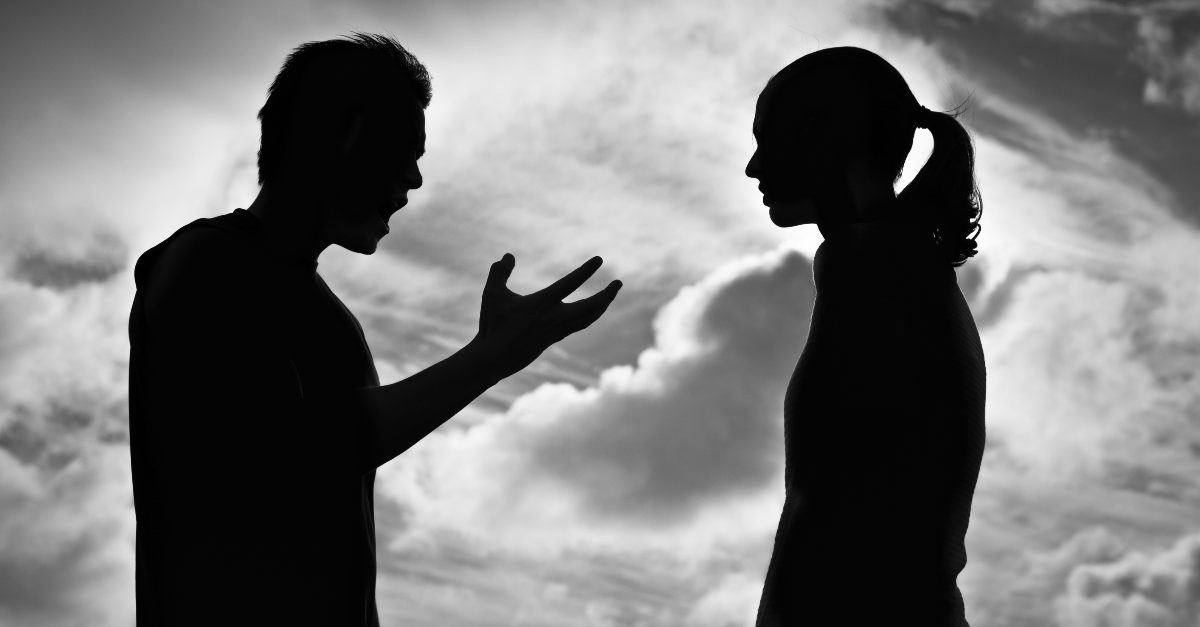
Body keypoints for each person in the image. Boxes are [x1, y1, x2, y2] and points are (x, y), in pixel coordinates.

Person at [127, 33, 622, 626]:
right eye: (407, 152)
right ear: (348, 134)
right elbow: (299, 454)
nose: (414, 181)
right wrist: (491, 357)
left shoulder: (333, 319)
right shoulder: (206, 264)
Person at [745, 47, 986, 626]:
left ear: (829, 145)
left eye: (772, 141)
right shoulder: (887, 263)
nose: (754, 168)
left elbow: (829, 515)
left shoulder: (877, 269)